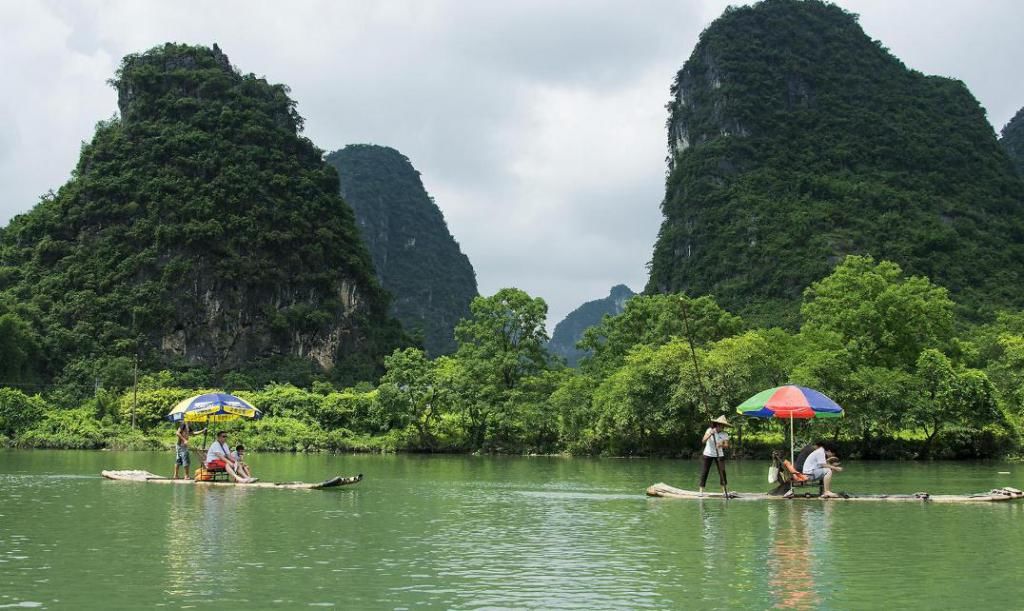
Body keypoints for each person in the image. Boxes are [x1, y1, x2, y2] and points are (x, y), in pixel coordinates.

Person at [698, 415, 731, 496]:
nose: (722, 427)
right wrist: (710, 434)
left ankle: (724, 492)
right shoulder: (709, 430)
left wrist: (721, 445)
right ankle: (701, 491)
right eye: (721, 425)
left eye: (723, 426)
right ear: (717, 424)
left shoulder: (724, 434)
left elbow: (726, 445)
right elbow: (703, 441)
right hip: (708, 453)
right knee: (705, 472)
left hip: (719, 454)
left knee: (722, 472)